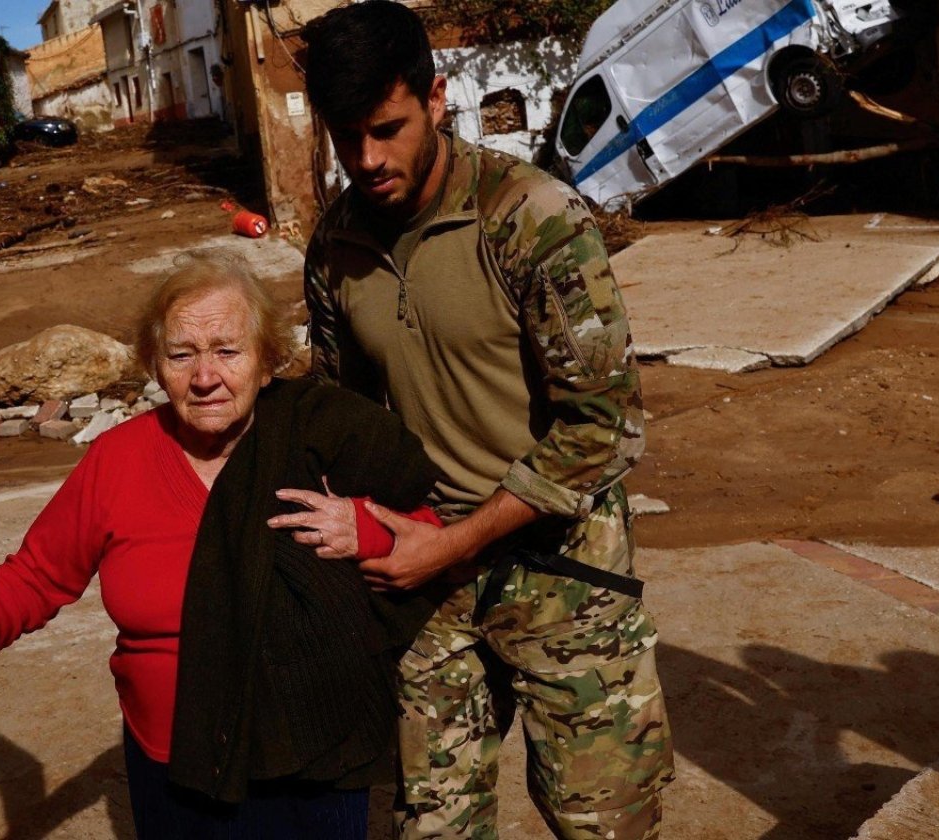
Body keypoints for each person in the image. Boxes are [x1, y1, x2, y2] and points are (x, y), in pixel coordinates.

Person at [286, 3, 677, 838]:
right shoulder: (338, 246)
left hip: (561, 578)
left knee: (602, 821)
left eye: (385, 129)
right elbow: (345, 414)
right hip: (424, 585)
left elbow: (605, 427)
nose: (365, 158)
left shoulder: (530, 219)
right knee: (433, 824)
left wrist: (459, 541)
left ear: (437, 99)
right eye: (344, 135)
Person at [0, 256, 442, 839]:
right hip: (172, 758)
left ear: (266, 362)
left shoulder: (324, 435)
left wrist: (365, 528)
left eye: (228, 351)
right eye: (181, 355)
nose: (205, 377)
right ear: (156, 365)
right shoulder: (119, 460)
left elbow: (425, 533)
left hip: (314, 752)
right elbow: (36, 576)